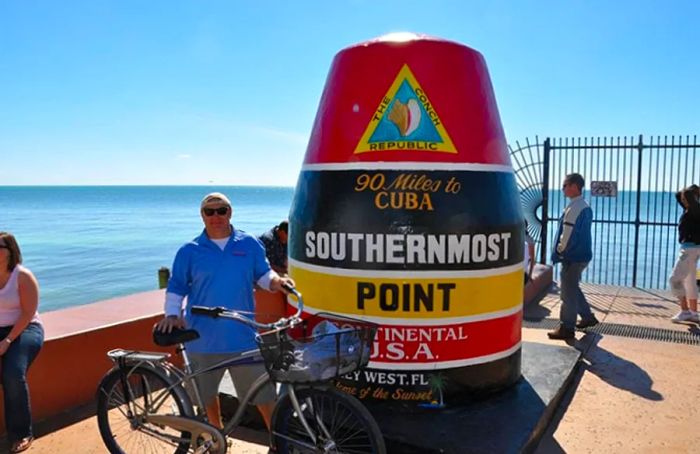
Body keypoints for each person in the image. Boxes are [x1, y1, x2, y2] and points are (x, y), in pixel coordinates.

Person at [155, 193, 294, 429]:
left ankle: (278, 444)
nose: (215, 216)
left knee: (265, 397)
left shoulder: (249, 244)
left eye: (221, 210)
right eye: (209, 212)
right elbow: (177, 286)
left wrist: (277, 282)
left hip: (243, 337)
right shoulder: (189, 251)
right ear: (202, 216)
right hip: (202, 338)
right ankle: (216, 437)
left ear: (230, 212)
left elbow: (262, 274)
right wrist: (172, 314)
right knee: (207, 397)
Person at [0, 232, 44, 453]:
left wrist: (7, 340)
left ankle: (21, 433)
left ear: (10, 251)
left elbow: (28, 312)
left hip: (26, 328)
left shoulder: (22, 276)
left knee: (13, 373)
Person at [548, 174, 597, 340]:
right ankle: (588, 317)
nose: (563, 189)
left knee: (567, 293)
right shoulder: (584, 206)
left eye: (565, 185)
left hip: (572, 256)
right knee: (572, 287)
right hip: (583, 254)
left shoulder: (574, 208)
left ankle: (566, 328)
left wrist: (560, 250)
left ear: (575, 186)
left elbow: (567, 234)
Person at [669, 185, 700, 323]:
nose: (681, 199)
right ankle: (693, 312)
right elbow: (678, 195)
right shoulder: (693, 210)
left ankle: (685, 310)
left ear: (689, 198)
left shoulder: (694, 211)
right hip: (693, 249)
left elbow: (683, 195)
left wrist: (691, 192)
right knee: (689, 281)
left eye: (684, 197)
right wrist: (690, 192)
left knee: (674, 280)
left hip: (688, 250)